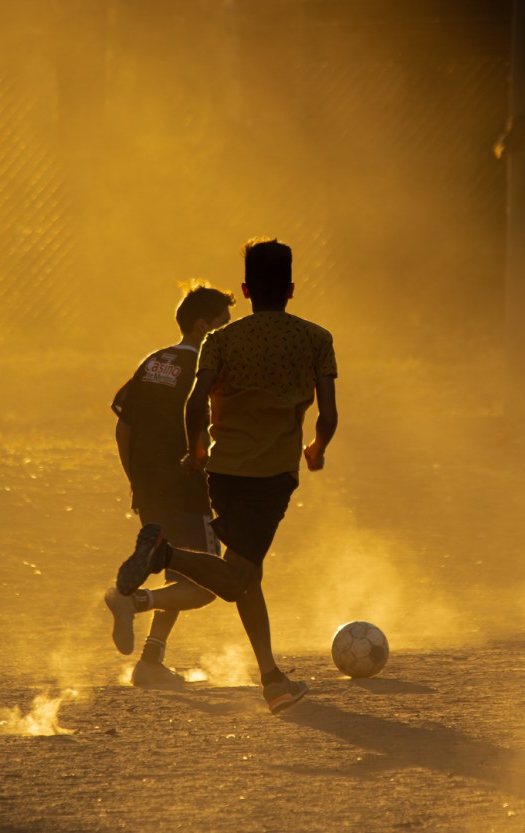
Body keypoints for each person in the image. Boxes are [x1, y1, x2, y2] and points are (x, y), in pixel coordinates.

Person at [110, 237, 338, 715]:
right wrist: (313, 449)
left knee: (239, 574)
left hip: (188, 477)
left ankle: (255, 677)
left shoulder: (183, 352)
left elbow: (148, 417)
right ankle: (151, 575)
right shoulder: (298, 342)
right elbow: (324, 413)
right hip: (239, 477)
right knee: (225, 581)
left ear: (247, 288)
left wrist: (166, 466)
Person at [104, 283, 235, 686]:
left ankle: (149, 663)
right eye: (223, 328)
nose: (229, 338)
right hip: (189, 491)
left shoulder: (152, 362)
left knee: (178, 572)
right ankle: (131, 600)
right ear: (202, 327)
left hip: (149, 489)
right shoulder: (206, 371)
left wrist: (136, 481)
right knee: (206, 584)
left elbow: (122, 429)